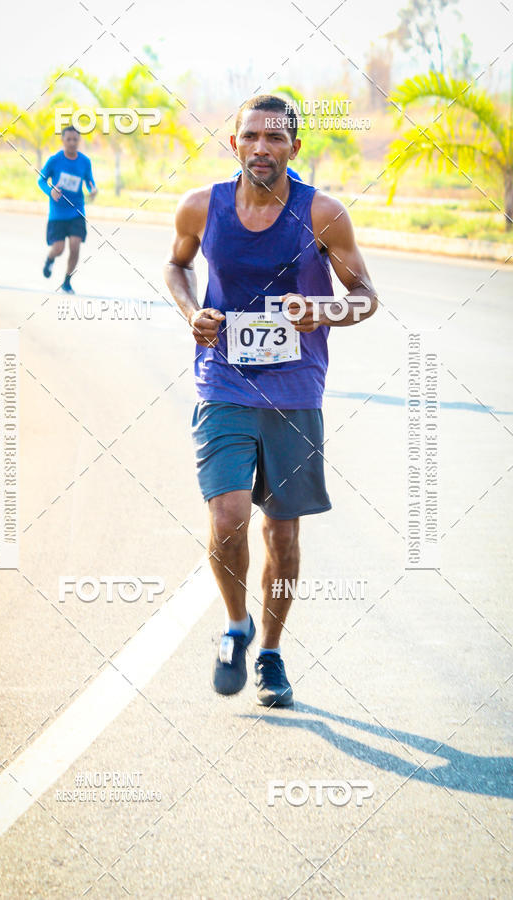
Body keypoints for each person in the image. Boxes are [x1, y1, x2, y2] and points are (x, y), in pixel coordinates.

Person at [163, 94, 378, 707]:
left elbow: (365, 295)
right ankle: (237, 625)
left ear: (294, 147)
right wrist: (192, 313)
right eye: (251, 136)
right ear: (234, 144)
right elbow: (175, 267)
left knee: (281, 536)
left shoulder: (323, 214)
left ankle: (272, 653)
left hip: (294, 390)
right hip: (224, 382)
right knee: (227, 518)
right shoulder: (201, 206)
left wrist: (324, 309)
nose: (262, 148)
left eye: (275, 137)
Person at [38, 126, 97, 294]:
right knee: (58, 248)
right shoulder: (54, 160)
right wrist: (50, 191)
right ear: (63, 140)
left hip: (76, 210)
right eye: (68, 139)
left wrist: (93, 189)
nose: (72, 143)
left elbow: (89, 181)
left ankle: (67, 281)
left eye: (75, 139)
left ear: (79, 141)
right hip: (57, 213)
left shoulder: (85, 161)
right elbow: (41, 180)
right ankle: (50, 259)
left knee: (75, 246)